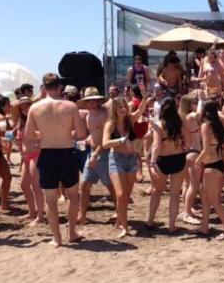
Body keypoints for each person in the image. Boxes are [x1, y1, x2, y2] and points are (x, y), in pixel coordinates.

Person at [24, 73, 88, 247]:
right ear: (60, 87)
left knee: (50, 200)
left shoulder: (35, 108)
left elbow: (29, 135)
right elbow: (81, 134)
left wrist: (43, 134)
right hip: (67, 152)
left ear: (43, 88)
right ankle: (72, 232)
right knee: (73, 196)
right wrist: (67, 132)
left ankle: (57, 238)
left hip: (47, 153)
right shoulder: (70, 106)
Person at [102, 87, 150, 238]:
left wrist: (144, 94)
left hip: (131, 160)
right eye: (120, 107)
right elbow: (104, 143)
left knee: (126, 195)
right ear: (115, 109)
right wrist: (122, 140)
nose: (123, 109)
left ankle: (119, 219)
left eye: (124, 106)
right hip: (116, 159)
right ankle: (124, 226)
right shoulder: (110, 124)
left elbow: (142, 108)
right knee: (121, 194)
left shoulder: (130, 120)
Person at [147, 97, 188, 233]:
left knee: (157, 191)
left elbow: (157, 145)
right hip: (178, 158)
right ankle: (172, 226)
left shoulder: (159, 124)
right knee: (175, 194)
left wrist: (152, 163)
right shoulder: (180, 122)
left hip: (163, 160)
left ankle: (150, 221)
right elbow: (186, 141)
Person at [195, 101, 224, 240]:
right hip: (217, 164)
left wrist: (197, 162)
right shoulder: (218, 126)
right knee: (205, 197)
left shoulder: (206, 126)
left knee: (214, 200)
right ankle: (204, 226)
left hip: (211, 166)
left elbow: (205, 149)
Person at [77, 87, 117, 224]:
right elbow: (93, 136)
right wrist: (82, 142)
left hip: (104, 154)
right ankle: (82, 215)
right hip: (93, 153)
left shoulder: (104, 115)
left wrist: (95, 154)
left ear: (99, 101)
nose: (92, 103)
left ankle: (120, 213)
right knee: (85, 185)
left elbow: (105, 139)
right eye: (89, 100)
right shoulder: (88, 116)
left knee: (110, 185)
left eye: (94, 100)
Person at [13, 97, 44, 225]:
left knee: (36, 186)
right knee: (24, 185)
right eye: (22, 106)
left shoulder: (37, 119)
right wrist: (17, 142)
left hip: (36, 154)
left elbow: (45, 134)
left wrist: (38, 142)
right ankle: (32, 212)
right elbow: (20, 138)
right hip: (26, 156)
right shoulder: (21, 121)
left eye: (27, 105)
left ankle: (40, 216)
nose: (25, 108)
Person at [179, 93, 203, 225]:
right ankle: (187, 213)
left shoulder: (185, 117)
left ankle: (188, 209)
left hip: (189, 151)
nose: (195, 104)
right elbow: (198, 114)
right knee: (193, 185)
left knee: (187, 184)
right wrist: (201, 100)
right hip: (193, 151)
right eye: (193, 102)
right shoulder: (190, 116)